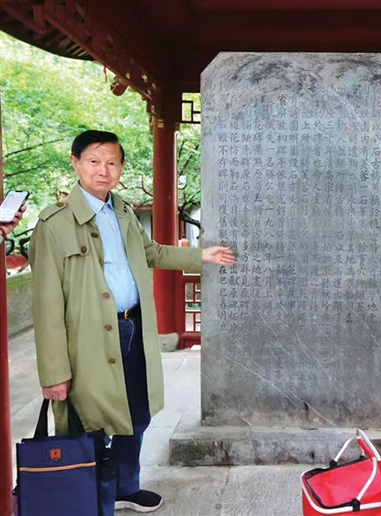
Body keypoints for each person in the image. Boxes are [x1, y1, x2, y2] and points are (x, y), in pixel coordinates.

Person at [29, 130, 235, 514]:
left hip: (132, 327)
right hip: (86, 339)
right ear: (75, 164)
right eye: (94, 161)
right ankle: (89, 496)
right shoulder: (53, 224)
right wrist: (54, 372)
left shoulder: (122, 211)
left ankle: (126, 486)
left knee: (136, 414)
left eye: (112, 162)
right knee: (89, 421)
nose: (103, 170)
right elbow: (46, 303)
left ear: (121, 167)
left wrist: (201, 256)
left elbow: (152, 252)